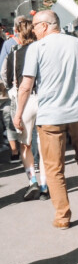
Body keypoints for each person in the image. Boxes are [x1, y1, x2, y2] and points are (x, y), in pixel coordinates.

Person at [13, 10, 78, 230]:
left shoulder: (36, 48)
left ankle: (63, 216)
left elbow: (26, 86)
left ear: (45, 25)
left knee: (54, 168)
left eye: (34, 25)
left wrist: (19, 114)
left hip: (50, 116)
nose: (33, 30)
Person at [2, 19, 48, 201]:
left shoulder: (13, 54)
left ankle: (33, 182)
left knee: (25, 144)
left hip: (23, 101)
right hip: (43, 99)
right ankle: (45, 185)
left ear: (18, 34)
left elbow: (5, 78)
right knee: (44, 144)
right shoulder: (42, 51)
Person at [0, 16, 26, 163]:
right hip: (30, 86)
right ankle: (27, 149)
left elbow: (2, 68)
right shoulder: (33, 41)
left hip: (11, 87)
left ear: (15, 28)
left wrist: (7, 84)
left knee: (9, 116)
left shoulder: (8, 43)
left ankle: (15, 151)